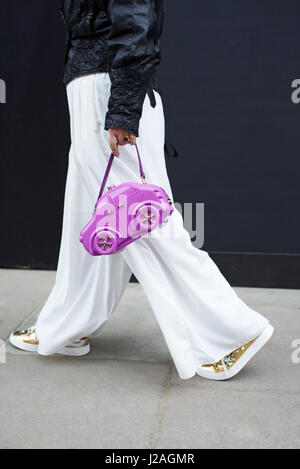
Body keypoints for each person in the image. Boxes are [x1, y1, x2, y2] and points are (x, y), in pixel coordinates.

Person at [10, 0, 273, 381]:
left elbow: (136, 20)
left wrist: (121, 110)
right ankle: (68, 325)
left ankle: (232, 332)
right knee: (87, 215)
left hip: (108, 92)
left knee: (145, 224)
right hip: (96, 89)